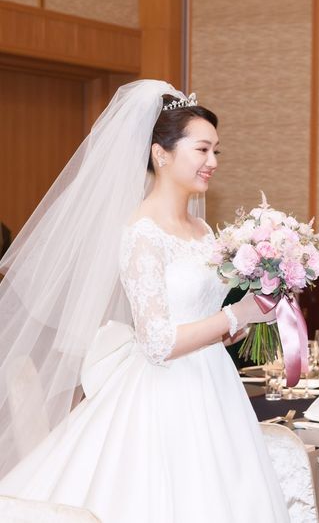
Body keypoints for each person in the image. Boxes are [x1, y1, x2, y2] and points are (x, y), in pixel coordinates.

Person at [0, 80, 290, 522]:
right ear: (161, 154)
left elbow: (200, 317)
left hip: (214, 383)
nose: (213, 162)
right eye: (202, 149)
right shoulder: (142, 233)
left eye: (216, 151)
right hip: (166, 393)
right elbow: (157, 341)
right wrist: (237, 313)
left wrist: (237, 324)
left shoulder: (203, 231)